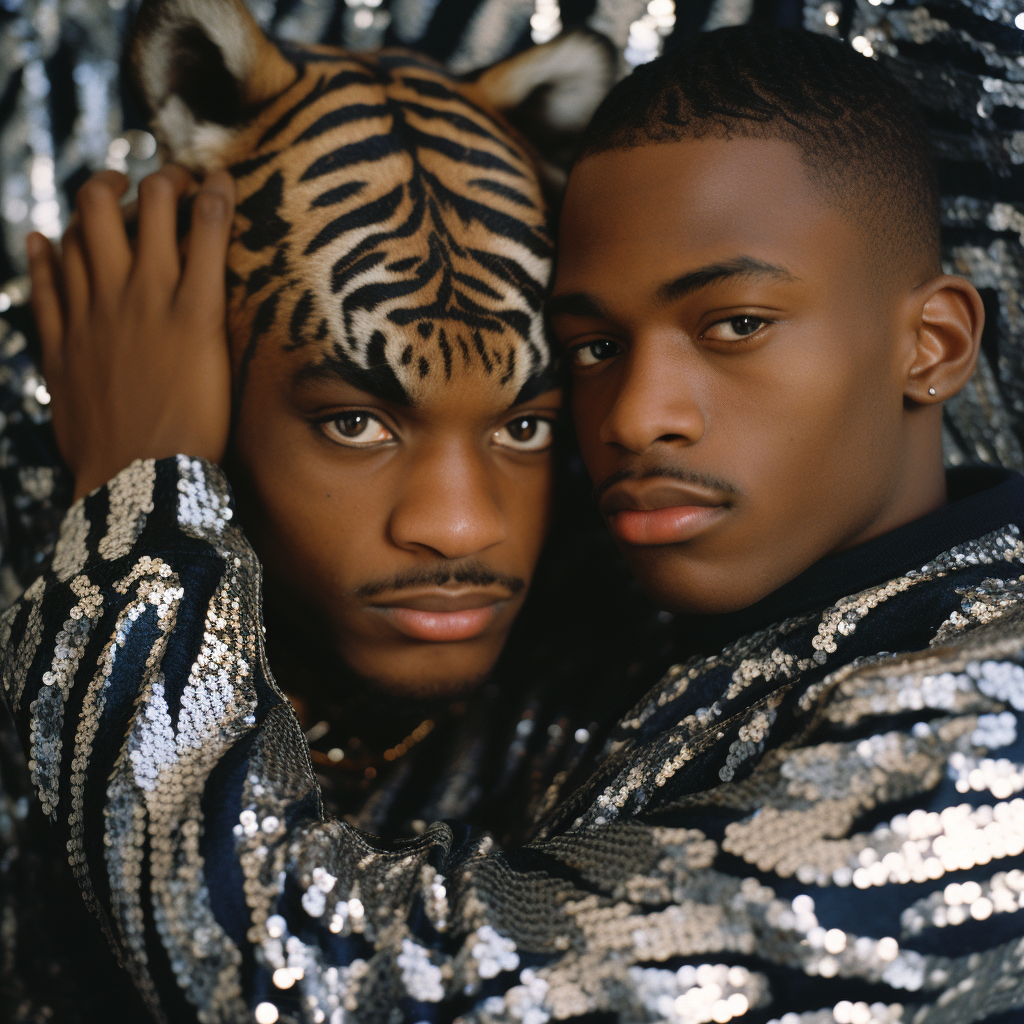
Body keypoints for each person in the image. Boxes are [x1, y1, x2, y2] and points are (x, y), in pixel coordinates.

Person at [5, 19, 1024, 1024]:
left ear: (931, 343)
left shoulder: (998, 719)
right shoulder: (698, 632)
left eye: (735, 324)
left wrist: (144, 501)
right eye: (589, 347)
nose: (630, 416)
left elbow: (351, 988)